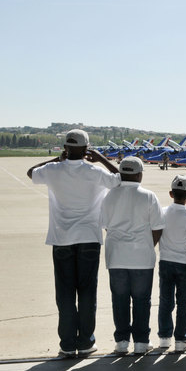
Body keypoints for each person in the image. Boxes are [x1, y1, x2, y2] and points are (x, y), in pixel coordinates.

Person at [27, 129, 120, 357]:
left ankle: (67, 344)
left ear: (65, 147)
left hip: (62, 239)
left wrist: (57, 159)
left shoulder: (53, 170)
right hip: (89, 237)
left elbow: (31, 172)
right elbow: (121, 178)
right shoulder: (94, 172)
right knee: (87, 292)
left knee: (65, 293)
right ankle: (86, 341)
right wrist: (101, 158)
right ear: (86, 148)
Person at [100, 156, 165, 355]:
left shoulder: (110, 195)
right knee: (141, 300)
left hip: (116, 256)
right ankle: (141, 342)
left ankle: (121, 341)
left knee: (119, 300)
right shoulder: (149, 196)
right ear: (139, 175)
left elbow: (105, 225)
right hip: (141, 257)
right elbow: (158, 227)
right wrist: (147, 245)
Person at [157, 175, 186, 352]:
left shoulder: (162, 212)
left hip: (165, 261)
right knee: (184, 302)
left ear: (171, 194)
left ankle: (164, 337)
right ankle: (180, 338)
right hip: (184, 262)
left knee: (165, 300)